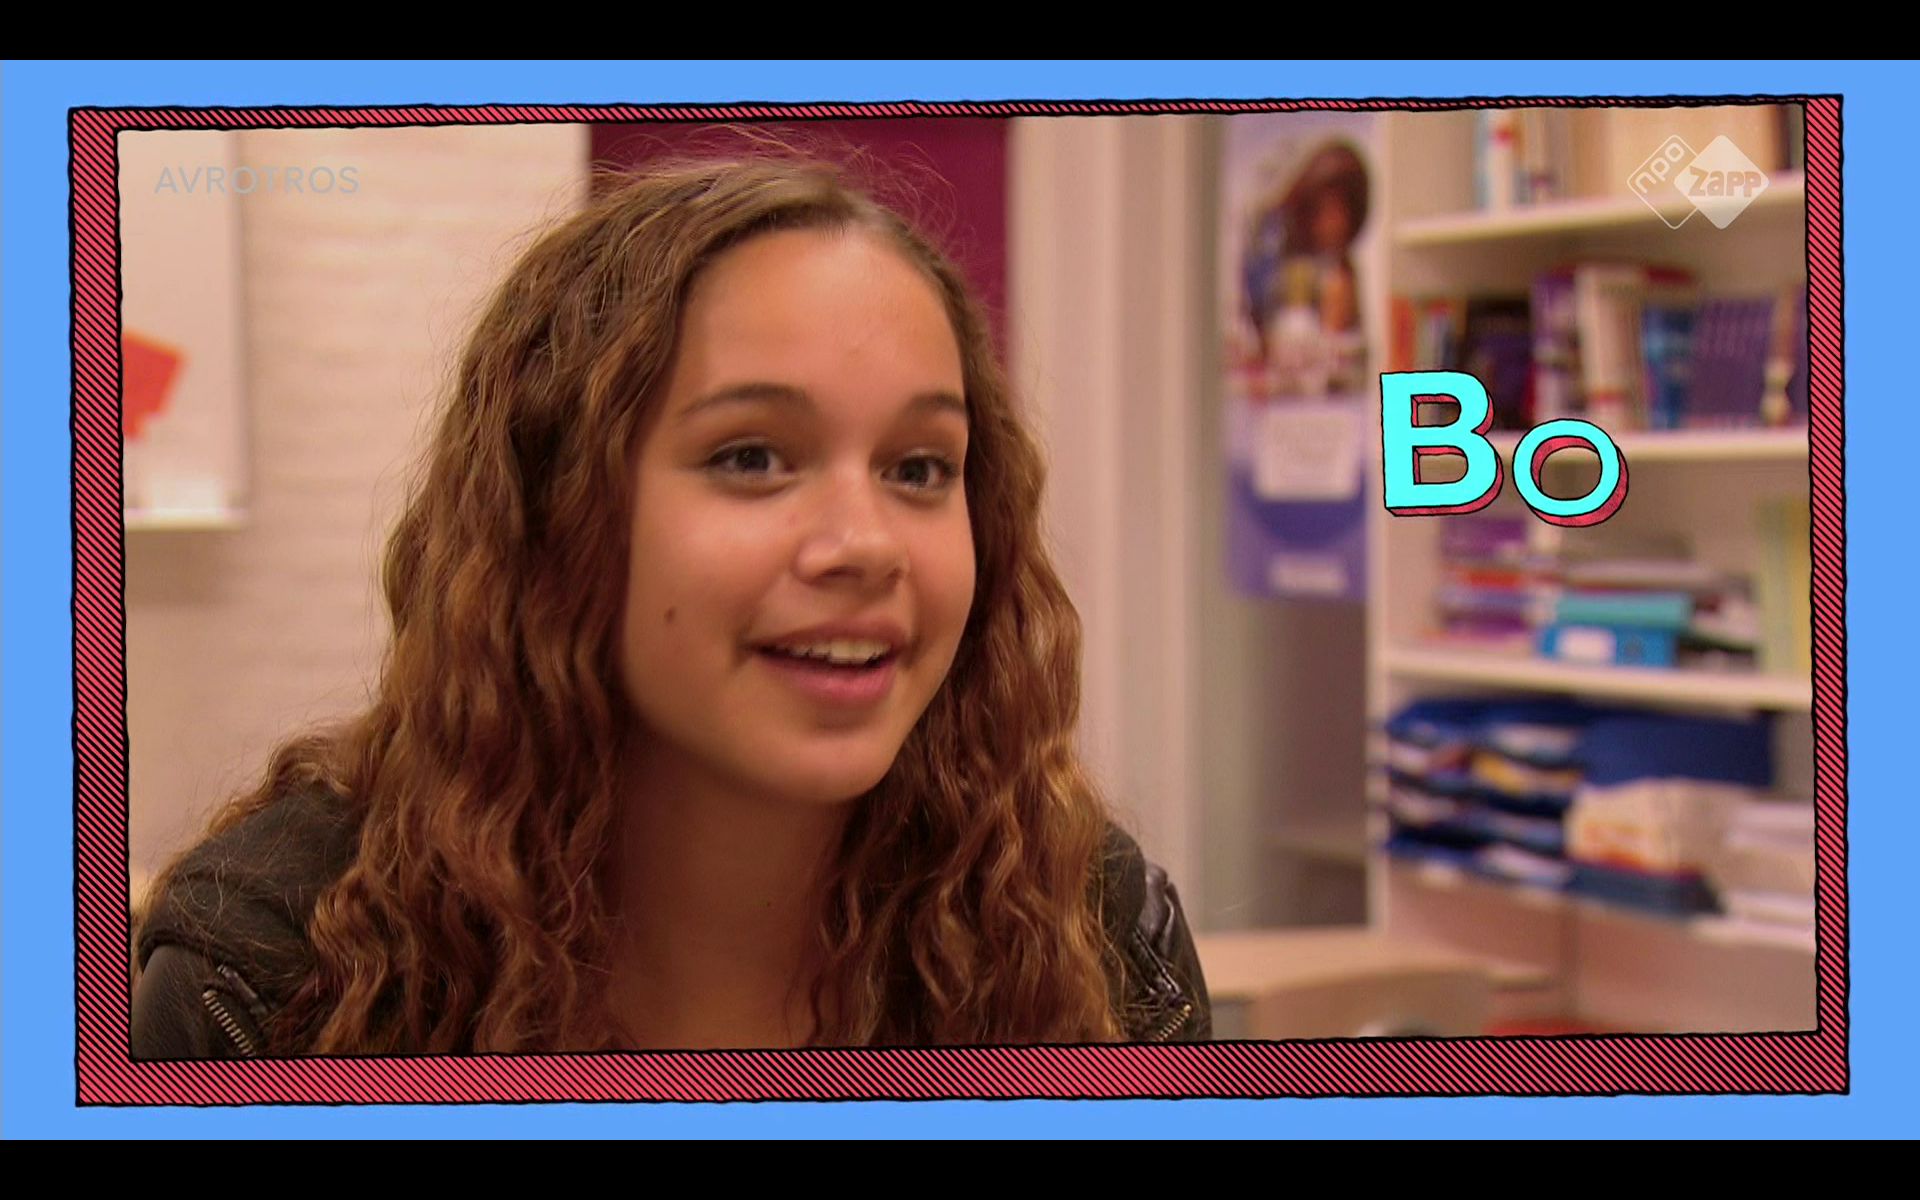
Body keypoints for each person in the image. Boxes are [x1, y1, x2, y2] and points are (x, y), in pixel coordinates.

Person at [131, 151, 1211, 1058]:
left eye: (920, 469)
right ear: (555, 510)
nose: (868, 545)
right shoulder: (277, 978)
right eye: (752, 457)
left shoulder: (1093, 934)